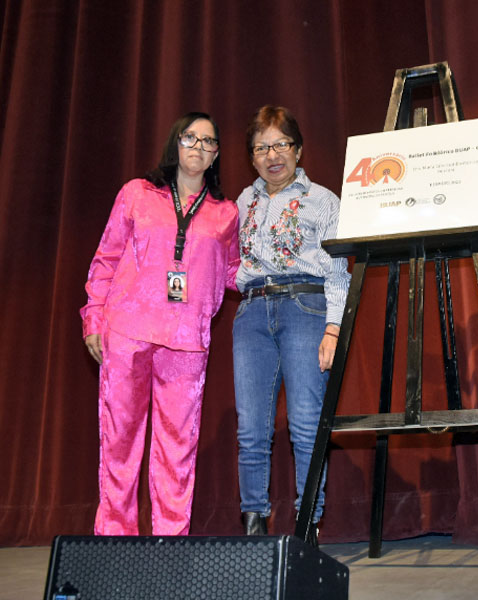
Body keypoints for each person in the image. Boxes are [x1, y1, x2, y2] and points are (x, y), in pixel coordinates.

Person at [81, 112, 240, 535]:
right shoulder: (138, 193)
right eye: (191, 137)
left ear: (216, 154)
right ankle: (116, 540)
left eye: (209, 142)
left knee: (177, 448)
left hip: (187, 341)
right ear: (176, 142)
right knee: (120, 443)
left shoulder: (226, 213)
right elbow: (107, 259)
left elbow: (235, 272)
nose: (199, 147)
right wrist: (93, 316)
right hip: (128, 332)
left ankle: (171, 545)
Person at [233, 105, 350, 536]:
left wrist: (334, 329)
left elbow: (339, 271)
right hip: (251, 312)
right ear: (252, 157)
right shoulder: (243, 202)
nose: (271, 154)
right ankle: (254, 523)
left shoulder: (323, 200)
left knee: (304, 422)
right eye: (261, 147)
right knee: (251, 426)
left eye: (281, 144)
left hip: (306, 307)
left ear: (298, 150)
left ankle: (306, 525)